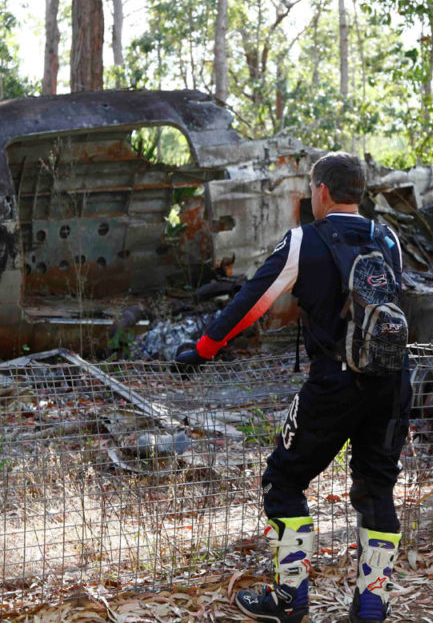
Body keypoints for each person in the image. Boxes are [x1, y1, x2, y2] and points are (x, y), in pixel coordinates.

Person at [176, 152, 413, 623]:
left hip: (335, 384)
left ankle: (290, 599)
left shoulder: (306, 240)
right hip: (394, 381)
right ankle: (372, 603)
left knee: (282, 480)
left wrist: (202, 349)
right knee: (377, 488)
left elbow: (252, 301)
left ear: (321, 191)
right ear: (358, 191)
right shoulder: (389, 238)